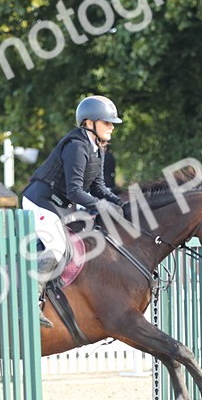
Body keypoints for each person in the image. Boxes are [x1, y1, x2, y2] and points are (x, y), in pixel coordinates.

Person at [22, 95, 126, 327]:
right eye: (107, 122)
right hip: (40, 201)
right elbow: (77, 191)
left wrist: (120, 204)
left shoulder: (98, 149)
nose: (111, 127)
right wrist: (102, 206)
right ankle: (30, 300)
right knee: (57, 247)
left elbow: (99, 187)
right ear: (89, 123)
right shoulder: (77, 147)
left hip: (59, 205)